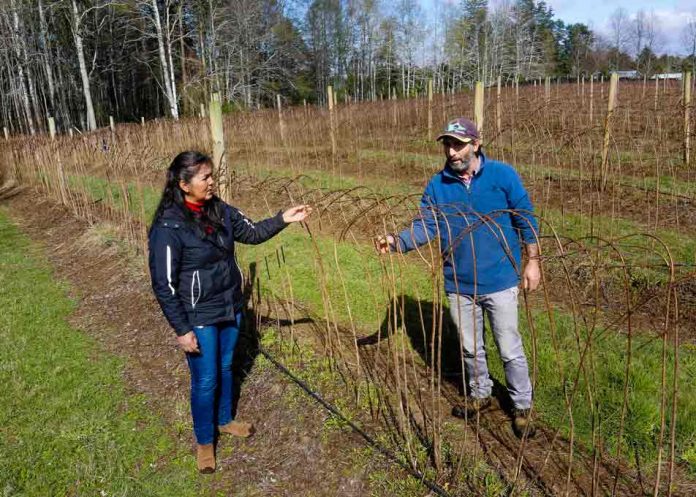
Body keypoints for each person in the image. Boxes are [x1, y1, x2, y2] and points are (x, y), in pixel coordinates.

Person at [376, 118, 540, 438]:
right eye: (447, 145)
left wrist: (533, 261)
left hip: (500, 281)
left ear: (476, 144)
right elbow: (426, 226)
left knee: (509, 347)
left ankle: (521, 406)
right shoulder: (438, 186)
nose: (452, 152)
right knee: (470, 347)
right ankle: (481, 395)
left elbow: (526, 218)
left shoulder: (502, 175)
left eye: (458, 144)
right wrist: (397, 242)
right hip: (460, 285)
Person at [148, 151, 311, 472]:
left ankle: (224, 421)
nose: (212, 182)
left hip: (230, 306)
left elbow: (251, 233)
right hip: (199, 316)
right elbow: (163, 285)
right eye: (205, 177)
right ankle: (205, 442)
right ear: (183, 184)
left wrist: (282, 219)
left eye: (211, 175)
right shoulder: (169, 225)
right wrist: (182, 329)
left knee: (225, 368)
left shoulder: (220, 210)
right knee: (205, 380)